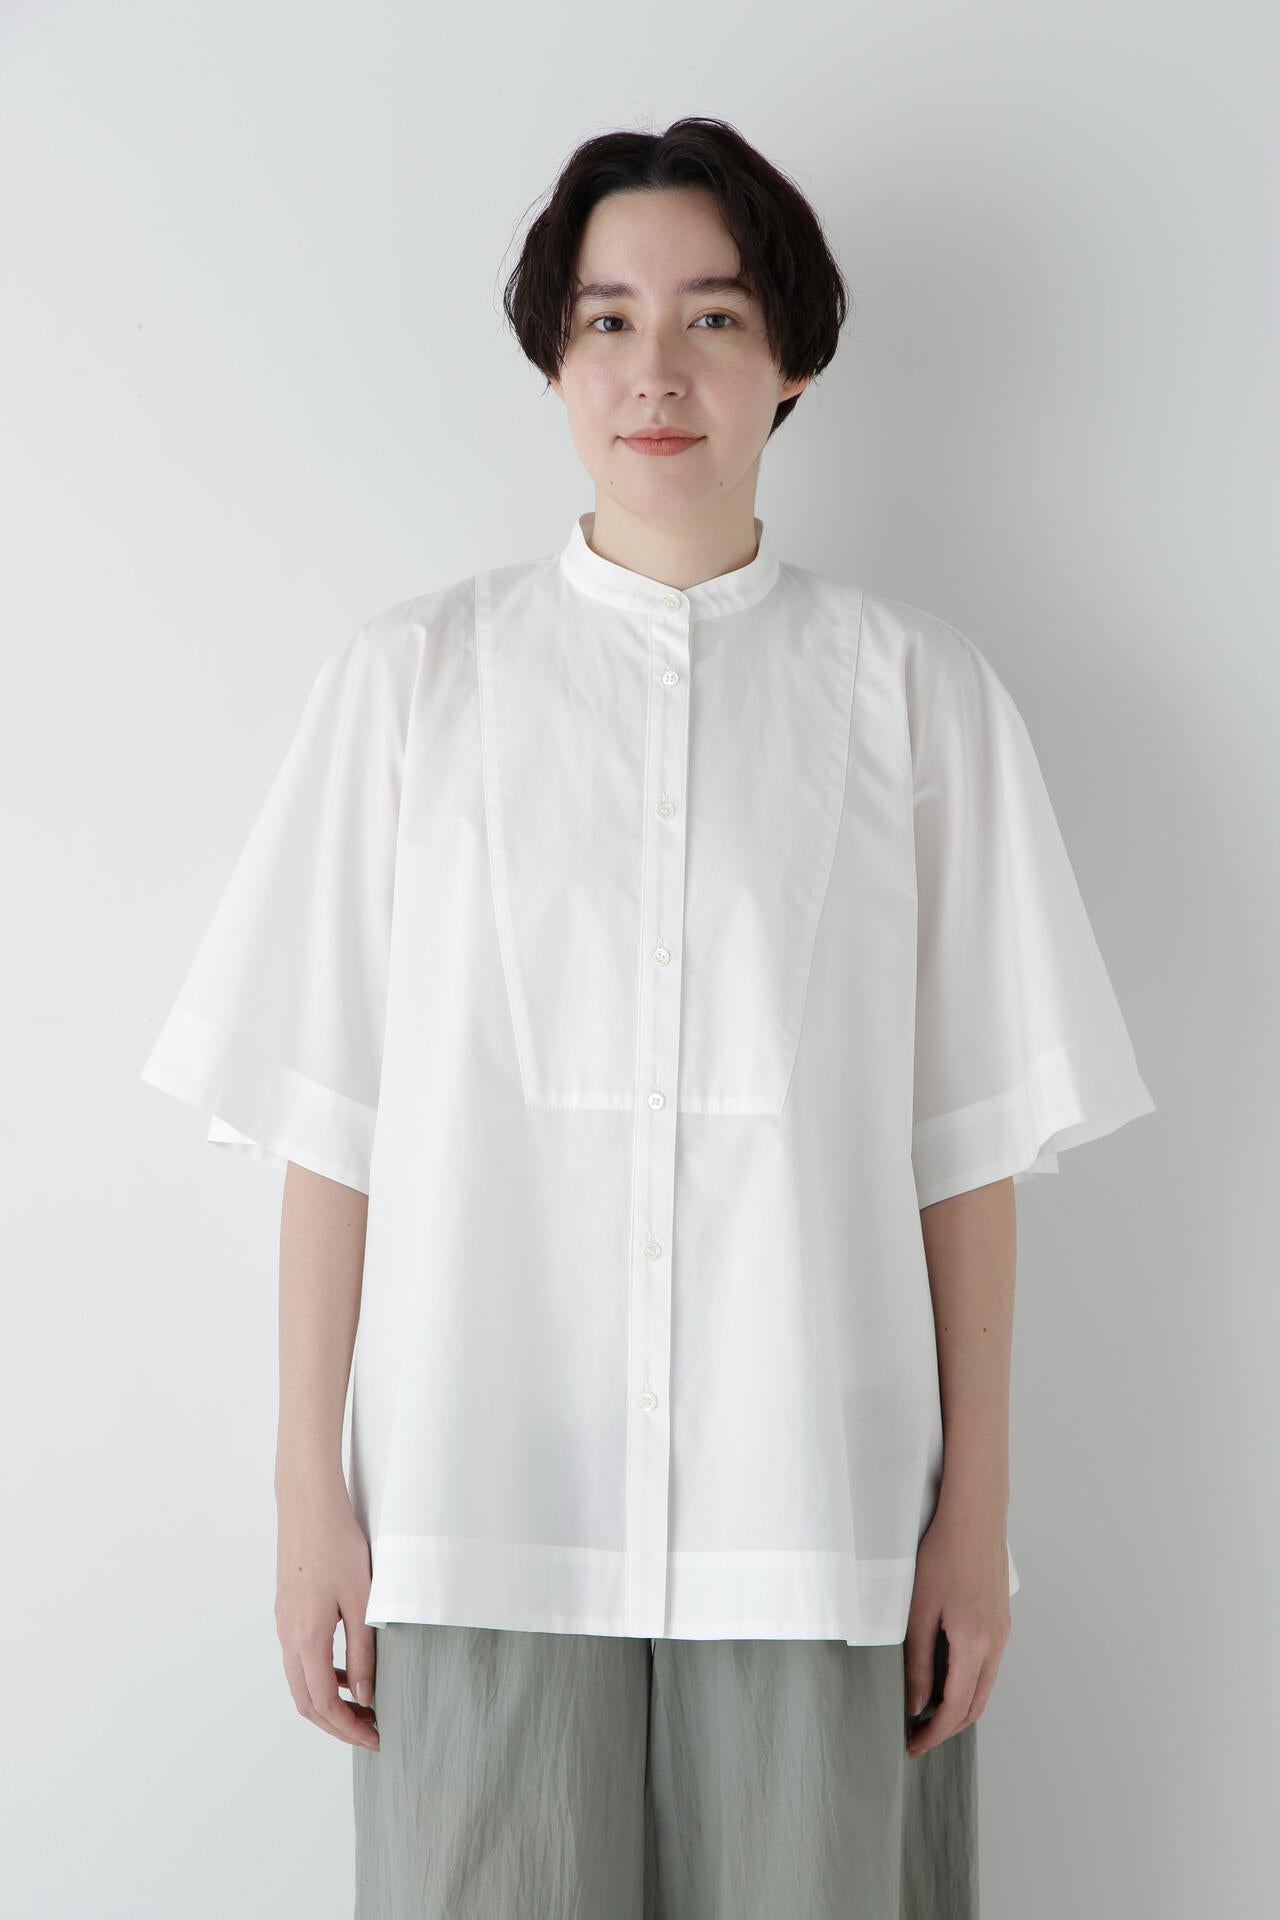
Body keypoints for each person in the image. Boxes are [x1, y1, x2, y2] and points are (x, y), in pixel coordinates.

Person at [139, 116, 1156, 1918]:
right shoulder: (414, 686)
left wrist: (973, 1524)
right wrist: (312, 1506)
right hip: (477, 1505)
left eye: (713, 316)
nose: (656, 370)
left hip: (814, 1514)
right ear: (552, 357)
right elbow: (331, 1134)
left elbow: (969, 1151)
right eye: (607, 319)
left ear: (794, 357)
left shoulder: (915, 698)